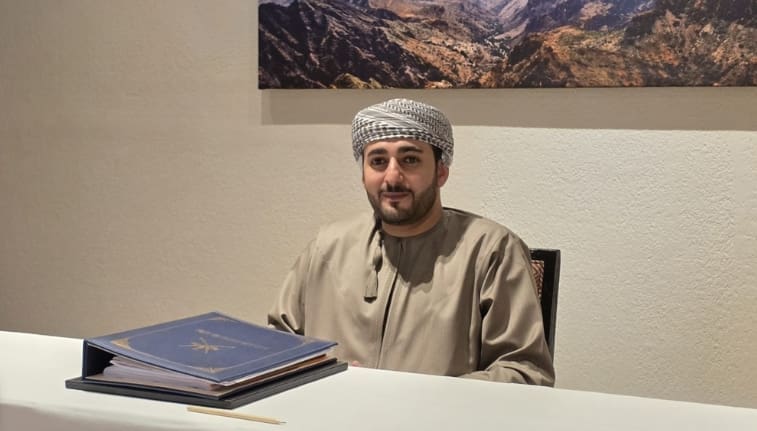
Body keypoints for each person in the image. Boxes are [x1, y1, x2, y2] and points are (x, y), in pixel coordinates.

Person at [268, 98, 555, 385]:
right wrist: (326, 377)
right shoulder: (327, 247)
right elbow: (275, 350)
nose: (392, 177)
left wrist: (422, 395)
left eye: (410, 160)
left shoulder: (491, 250)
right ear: (363, 174)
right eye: (378, 161)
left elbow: (525, 374)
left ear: (441, 172)